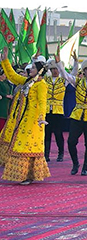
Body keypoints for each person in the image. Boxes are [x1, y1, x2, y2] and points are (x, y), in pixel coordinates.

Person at [0, 50, 50, 184]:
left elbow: (42, 102)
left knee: (25, 147)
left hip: (33, 122)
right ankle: (22, 175)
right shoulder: (27, 81)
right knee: (17, 143)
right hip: (21, 119)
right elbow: (12, 76)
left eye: (33, 68)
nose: (30, 69)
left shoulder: (41, 85)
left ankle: (27, 175)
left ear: (40, 71)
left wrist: (41, 118)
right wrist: (5, 61)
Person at [42, 58, 69, 162]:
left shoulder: (63, 80)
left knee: (58, 133)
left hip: (58, 110)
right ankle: (46, 154)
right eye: (52, 69)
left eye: (56, 69)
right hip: (47, 110)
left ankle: (60, 153)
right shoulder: (45, 79)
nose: (54, 71)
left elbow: (72, 73)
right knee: (47, 133)